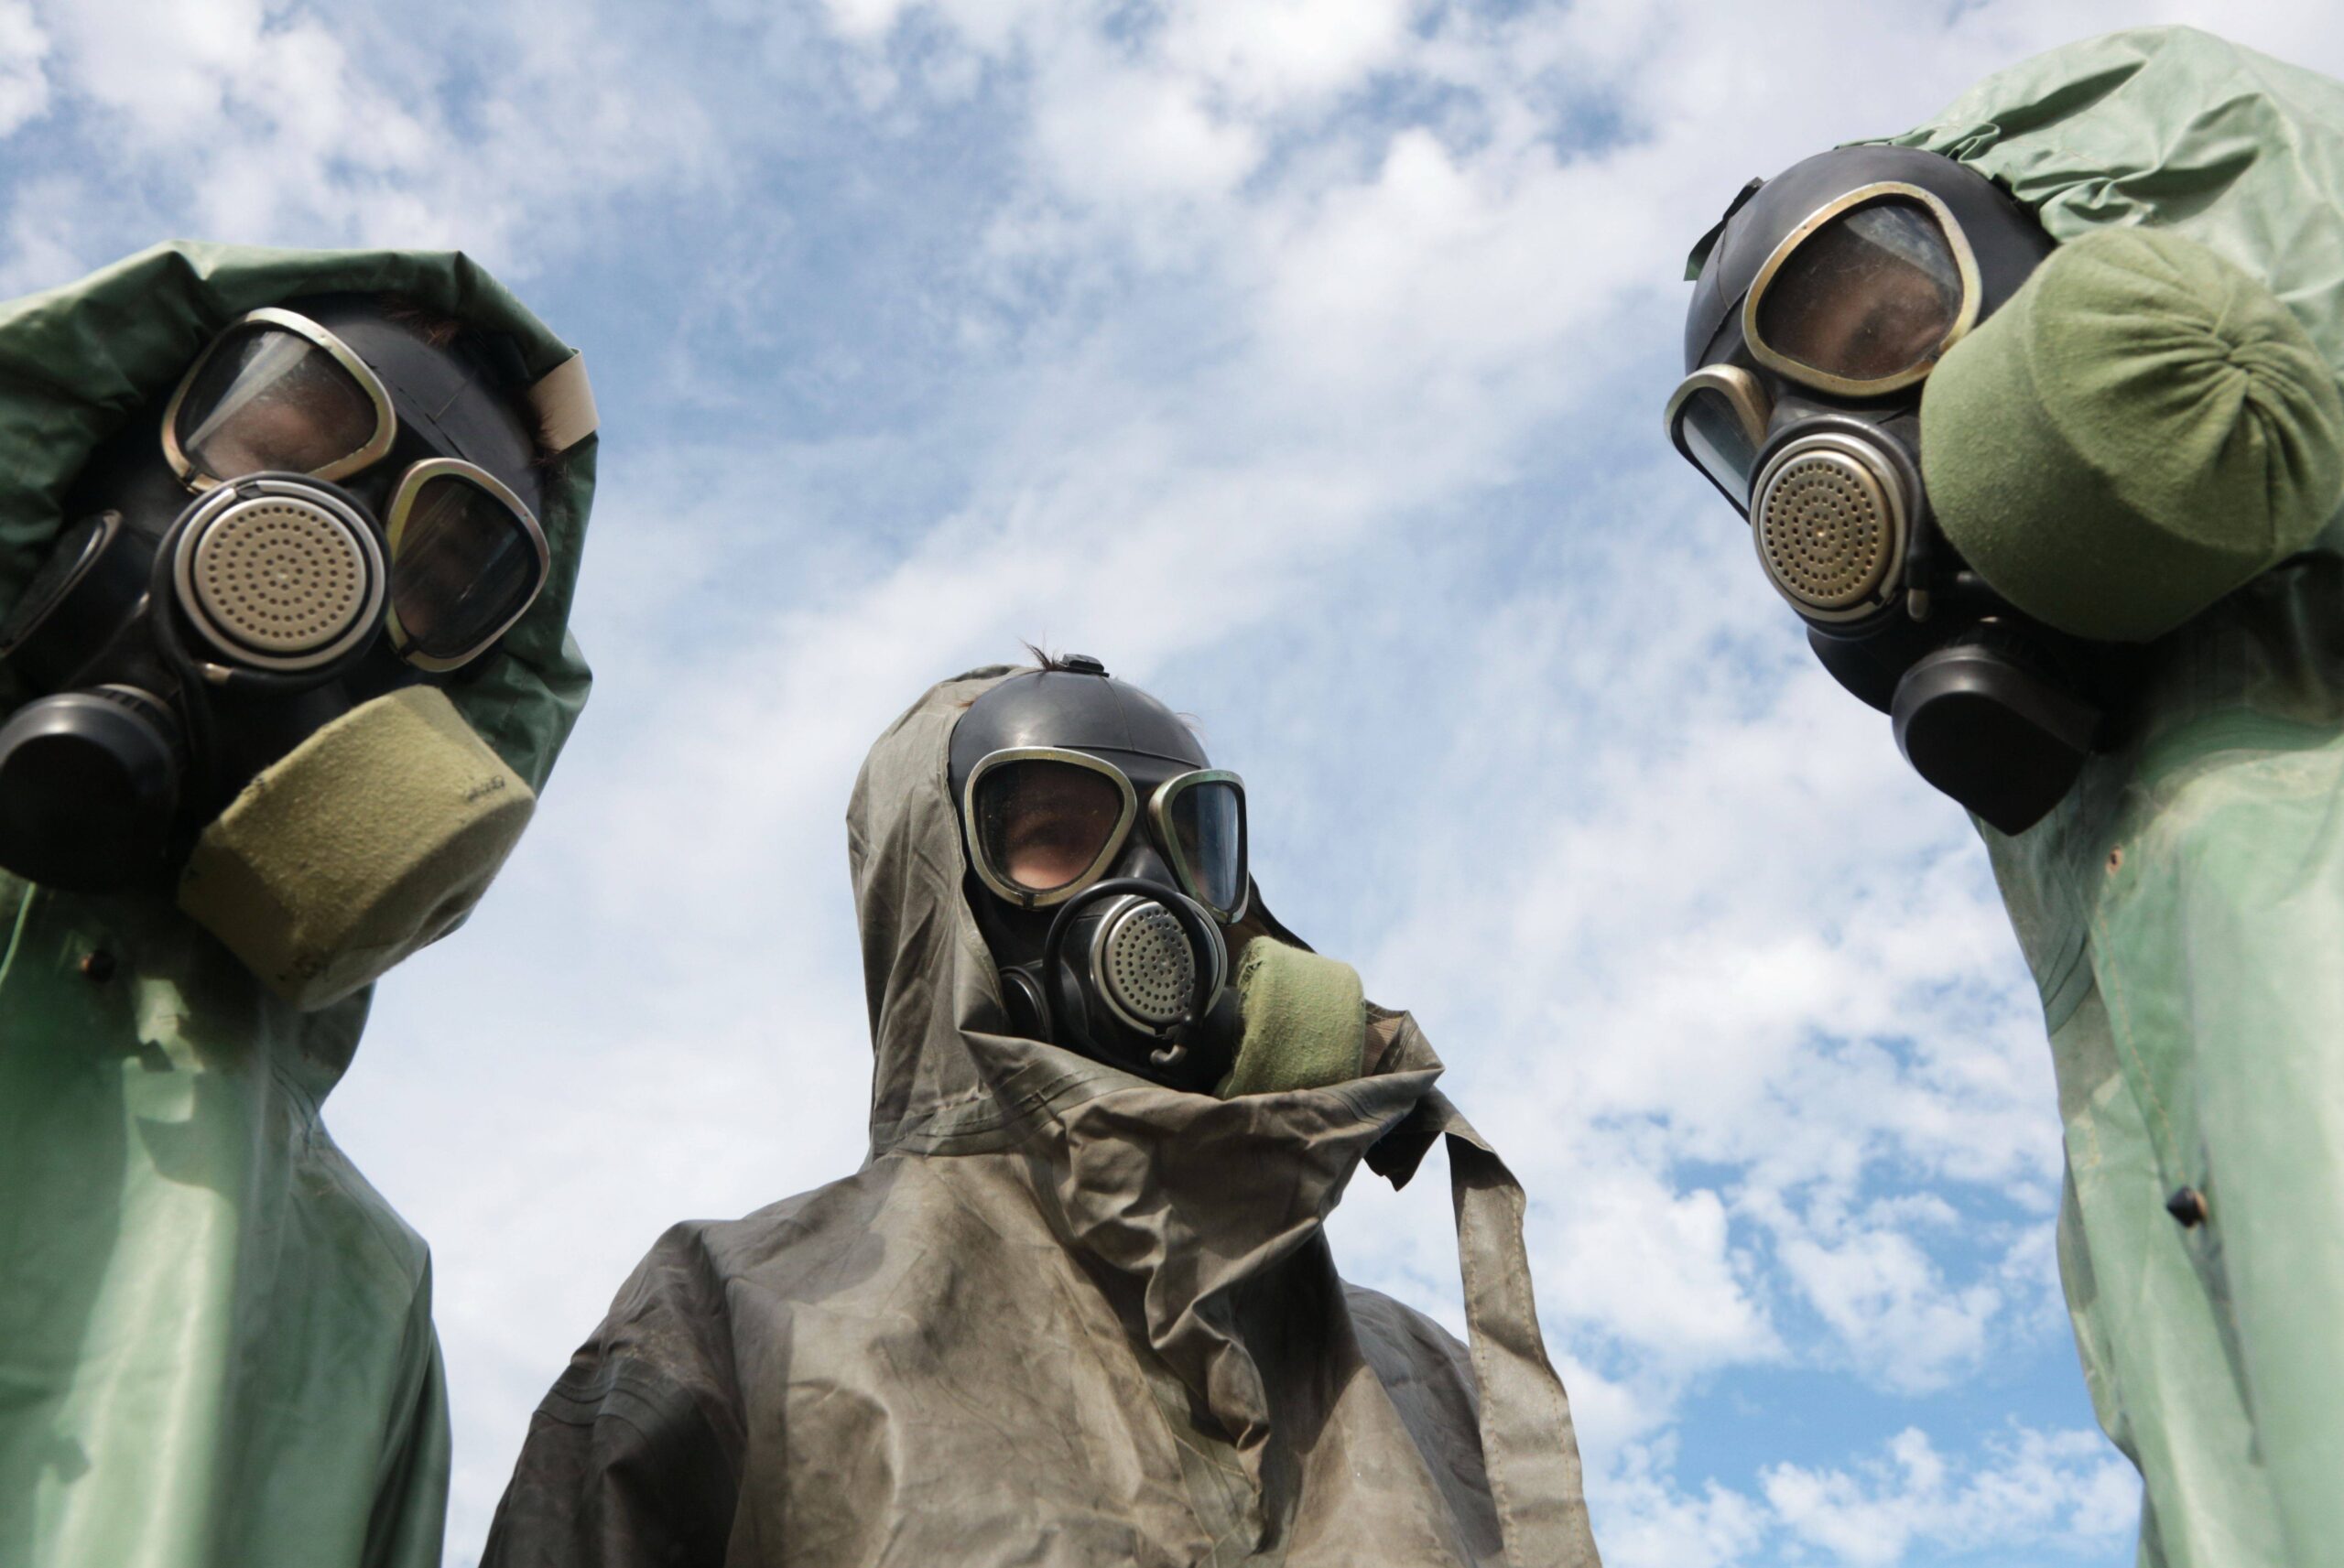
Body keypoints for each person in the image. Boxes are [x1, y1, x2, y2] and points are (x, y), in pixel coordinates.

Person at [1665, 27, 2344, 1567]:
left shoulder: (2292, 778)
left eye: (1878, 323)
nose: (1819, 475)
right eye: (1745, 436)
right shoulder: (2113, 931)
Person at [484, 655, 1602, 1567]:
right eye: (1063, 835)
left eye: (1189, 843)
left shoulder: (1419, 1379)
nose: (1151, 892)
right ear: (942, 886)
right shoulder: (741, 1313)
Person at [0, 243, 602, 1568]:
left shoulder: (357, 1306)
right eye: (274, 449)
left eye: (436, 584)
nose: (309, 566)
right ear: (91, 439)